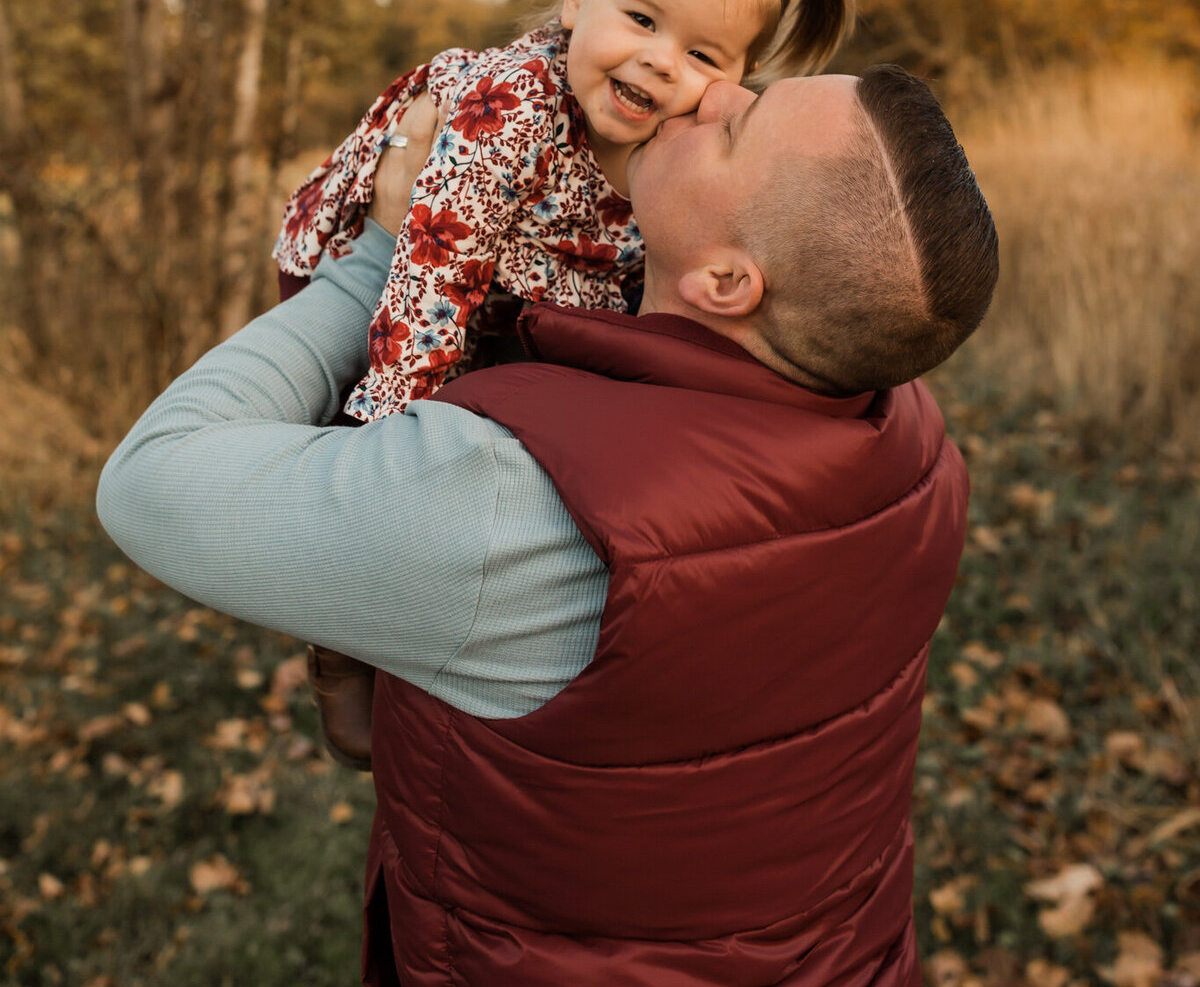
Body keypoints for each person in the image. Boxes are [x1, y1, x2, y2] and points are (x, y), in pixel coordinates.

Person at [98, 59, 998, 987]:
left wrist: (381, 253)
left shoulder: (520, 498)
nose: (715, 89)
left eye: (740, 124)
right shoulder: (910, 435)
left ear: (728, 282)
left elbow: (149, 483)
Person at [275, 0, 856, 765]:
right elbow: (430, 284)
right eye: (641, 19)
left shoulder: (671, 138)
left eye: (703, 53)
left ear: (737, 75)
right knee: (384, 439)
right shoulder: (507, 109)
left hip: (525, 274)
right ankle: (341, 642)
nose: (659, 62)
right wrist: (391, 448)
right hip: (383, 261)